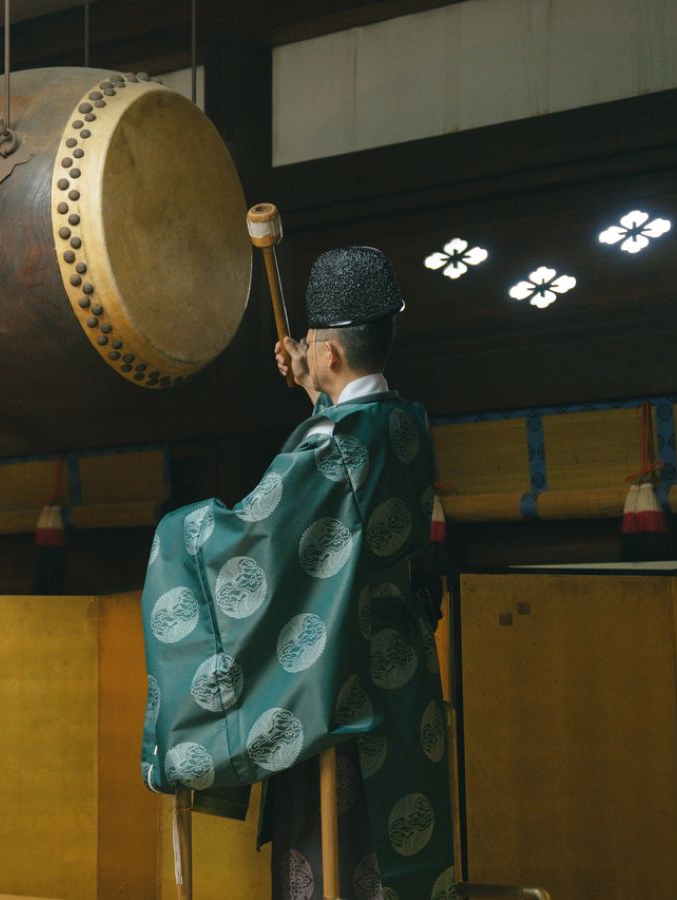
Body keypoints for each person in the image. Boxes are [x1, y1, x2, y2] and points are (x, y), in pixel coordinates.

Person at [139, 247, 454, 900]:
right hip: (399, 671)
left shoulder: (333, 447)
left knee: (338, 862)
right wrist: (317, 391)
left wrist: (178, 533)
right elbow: (344, 495)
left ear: (331, 352)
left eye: (312, 345)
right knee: (400, 851)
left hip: (337, 684)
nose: (304, 351)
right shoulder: (404, 425)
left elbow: (256, 537)